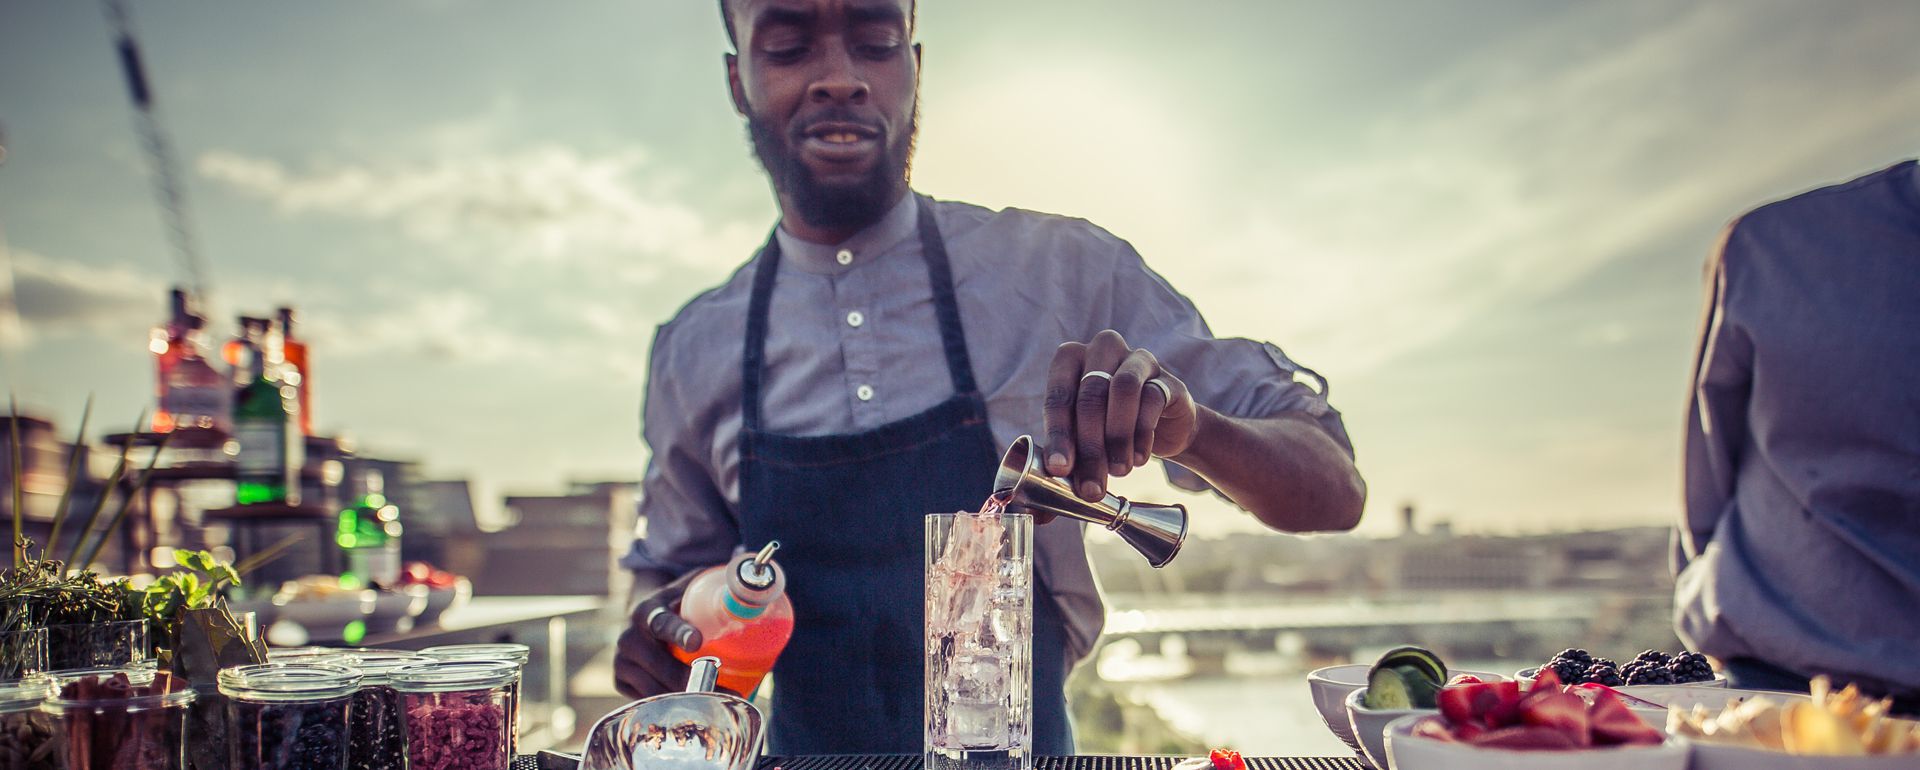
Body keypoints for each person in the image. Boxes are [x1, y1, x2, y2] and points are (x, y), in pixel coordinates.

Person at [614, 0, 1367, 754]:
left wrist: (1196, 428)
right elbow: (672, 591)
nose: (839, 79)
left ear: (916, 67)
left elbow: (1334, 489)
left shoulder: (1064, 272)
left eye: (875, 41)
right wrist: (666, 631)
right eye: (787, 46)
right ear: (737, 80)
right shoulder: (694, 349)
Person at [1675, 159, 1920, 714]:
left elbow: (1705, 484)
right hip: (1780, 698)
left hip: (1781, 674)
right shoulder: (1770, 249)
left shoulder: (1778, 247)